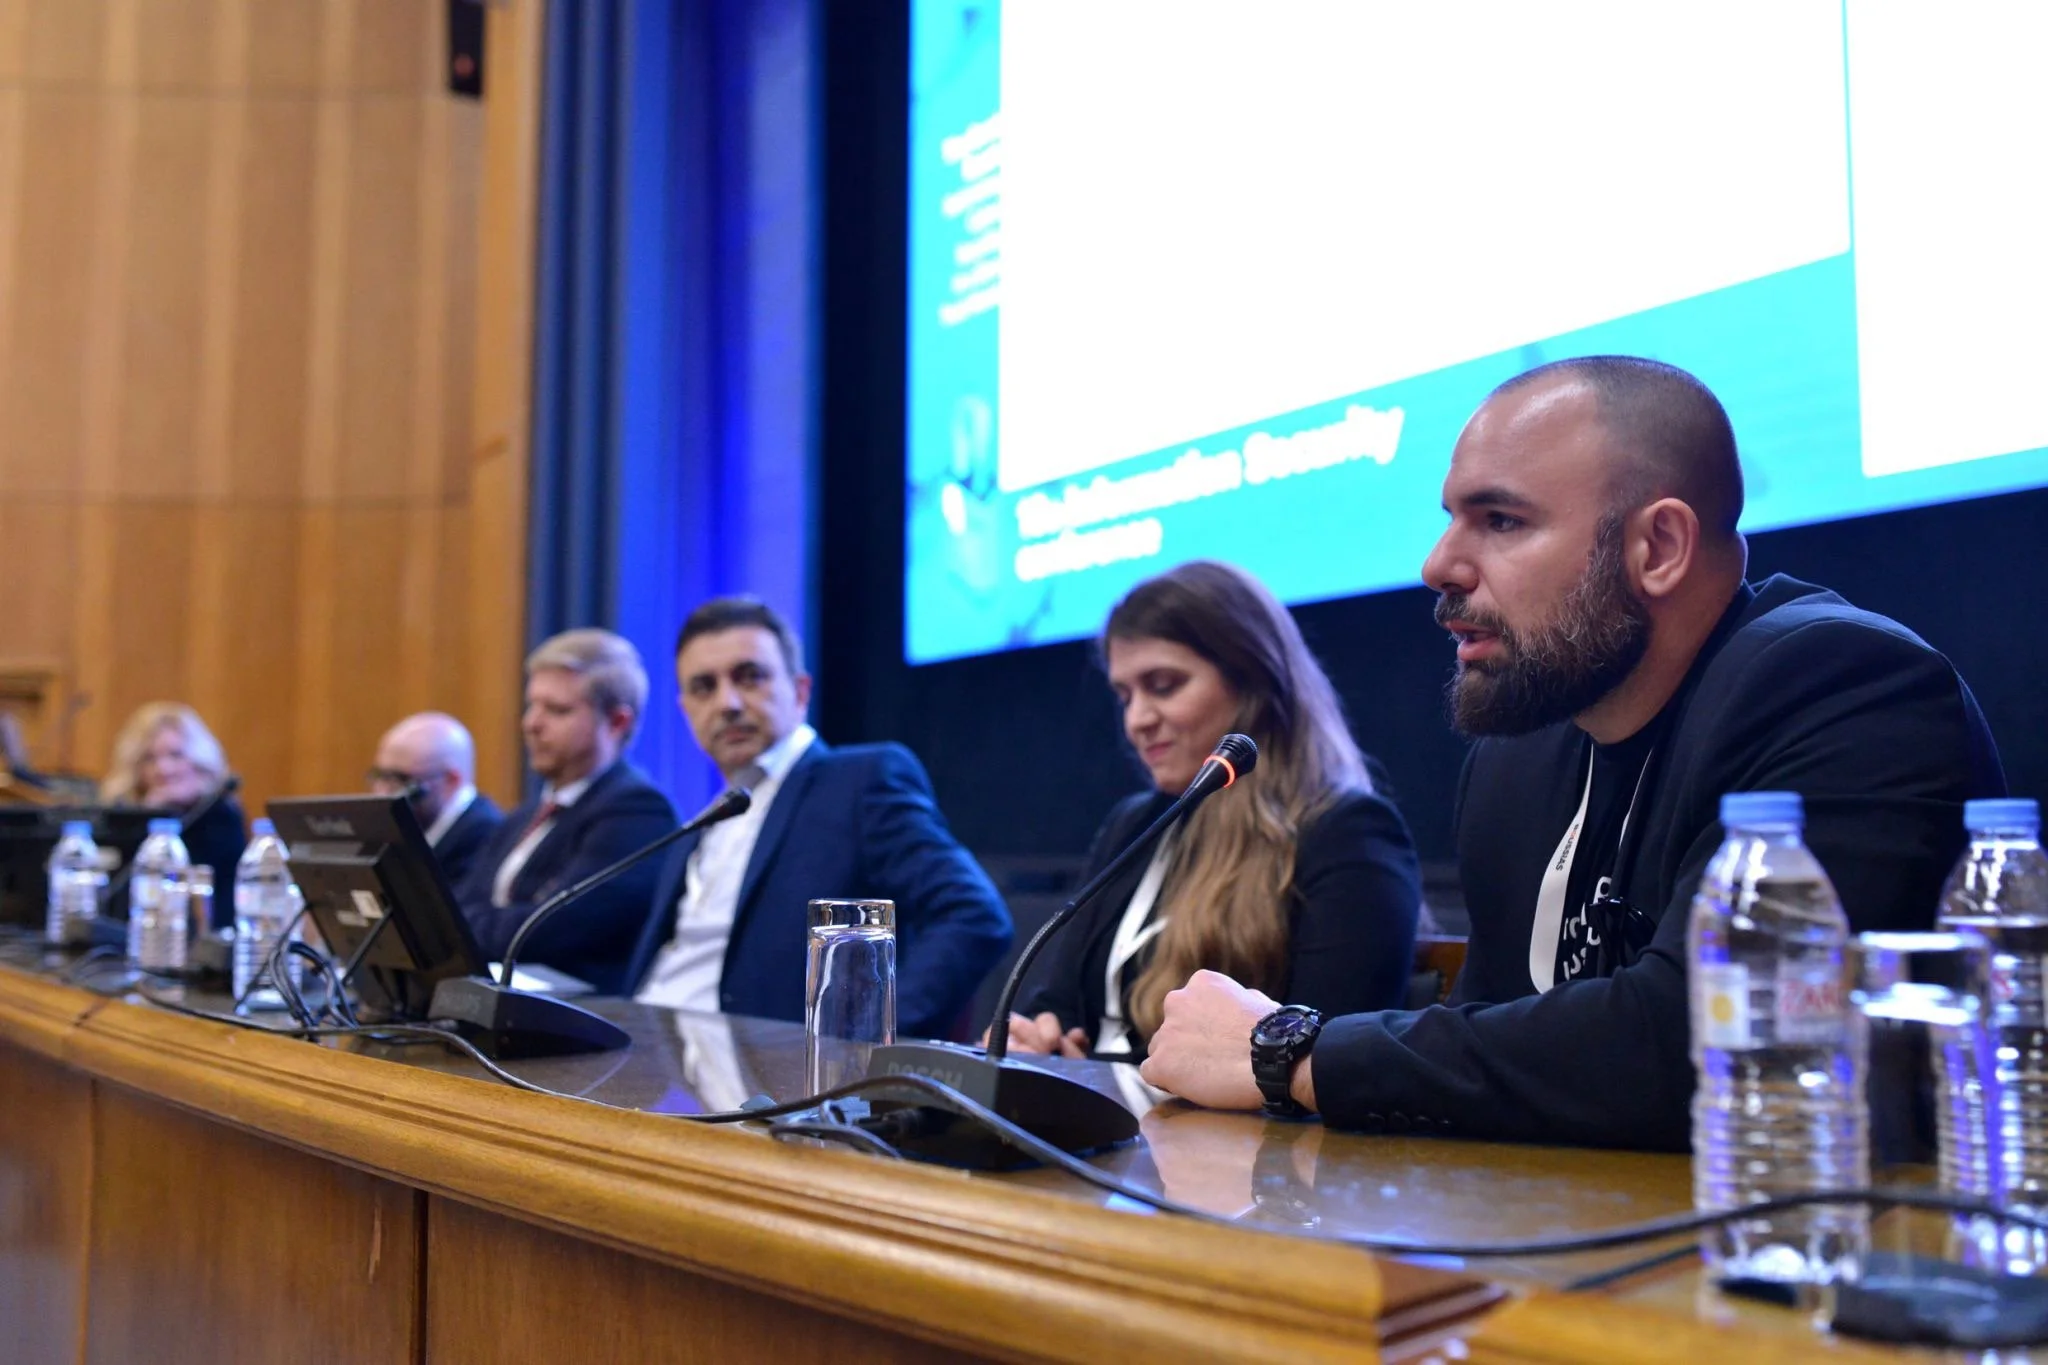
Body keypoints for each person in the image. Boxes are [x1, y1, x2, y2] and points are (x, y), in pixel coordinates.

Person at [1140, 356, 2005, 1150]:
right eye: (1451, 519)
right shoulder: (1519, 764)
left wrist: (1289, 1051)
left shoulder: (1847, 688)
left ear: (1658, 548)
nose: (1438, 563)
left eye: (1501, 519)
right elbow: (1488, 1054)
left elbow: (1701, 1041)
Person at [1002, 561, 1422, 1063]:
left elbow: (1327, 1060)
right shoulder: (1134, 824)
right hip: (1098, 1129)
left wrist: (1104, 1079)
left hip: (1231, 1140)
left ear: (1254, 682)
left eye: (1163, 685)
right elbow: (1059, 999)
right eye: (1125, 695)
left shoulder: (1345, 834)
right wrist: (1040, 1035)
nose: (1136, 720)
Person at [623, 597, 1011, 1040]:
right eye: (704, 687)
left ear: (800, 692)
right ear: (685, 709)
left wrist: (864, 1044)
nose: (727, 703)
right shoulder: (703, 821)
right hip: (647, 1052)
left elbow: (973, 915)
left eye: (750, 677)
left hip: (759, 1079)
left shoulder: (859, 782)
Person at [454, 630, 678, 994]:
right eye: (532, 705)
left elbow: (551, 930)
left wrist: (468, 929)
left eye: (556, 710)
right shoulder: (524, 815)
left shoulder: (638, 811)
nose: (531, 724)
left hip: (580, 1024)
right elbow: (457, 909)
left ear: (617, 722)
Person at [101, 702, 248, 928]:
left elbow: (220, 898)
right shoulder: (122, 818)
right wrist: (150, 816)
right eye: (150, 758)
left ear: (198, 759)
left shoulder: (221, 814)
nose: (163, 769)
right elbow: (117, 899)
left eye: (176, 755)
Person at [368, 712, 503, 890]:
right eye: (380, 776)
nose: (382, 793)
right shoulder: (411, 828)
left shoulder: (485, 836)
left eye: (400, 780)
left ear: (451, 781)